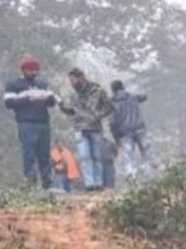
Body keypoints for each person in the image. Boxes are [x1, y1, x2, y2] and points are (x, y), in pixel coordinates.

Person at [4, 54, 56, 188]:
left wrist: (48, 98)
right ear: (23, 70)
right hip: (26, 123)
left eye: (36, 70)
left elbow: (52, 103)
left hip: (43, 123)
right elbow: (9, 102)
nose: (34, 72)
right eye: (31, 70)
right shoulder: (14, 84)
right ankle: (30, 185)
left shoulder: (42, 84)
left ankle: (47, 184)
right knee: (29, 155)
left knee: (44, 156)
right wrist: (28, 99)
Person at [59, 68, 113, 192]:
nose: (71, 83)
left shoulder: (98, 90)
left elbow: (109, 106)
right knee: (84, 156)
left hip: (95, 128)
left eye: (73, 80)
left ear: (81, 78)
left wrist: (98, 115)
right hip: (80, 128)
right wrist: (62, 107)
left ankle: (98, 183)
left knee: (96, 156)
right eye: (70, 81)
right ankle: (90, 184)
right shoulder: (73, 94)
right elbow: (73, 111)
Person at [110, 80, 148, 182]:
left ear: (113, 90)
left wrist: (116, 138)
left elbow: (112, 122)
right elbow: (144, 97)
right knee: (145, 152)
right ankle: (148, 174)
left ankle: (131, 175)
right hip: (140, 128)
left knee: (128, 155)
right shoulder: (133, 98)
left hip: (125, 133)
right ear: (123, 87)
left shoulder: (112, 104)